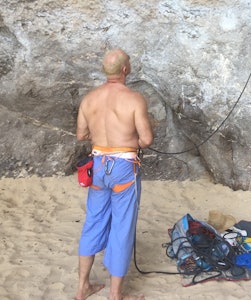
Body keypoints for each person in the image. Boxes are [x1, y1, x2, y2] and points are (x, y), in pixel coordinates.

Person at [75, 48, 153, 300]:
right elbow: (146, 139)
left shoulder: (89, 99)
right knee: (121, 227)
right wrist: (129, 138)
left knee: (93, 222)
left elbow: (80, 135)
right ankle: (115, 294)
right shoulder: (134, 99)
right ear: (125, 69)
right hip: (122, 169)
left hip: (97, 166)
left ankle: (82, 288)